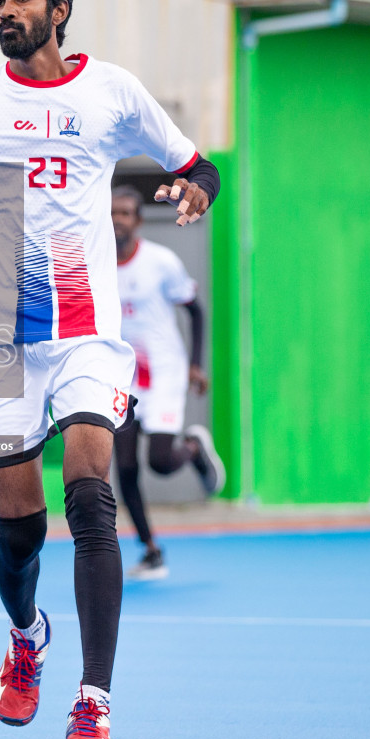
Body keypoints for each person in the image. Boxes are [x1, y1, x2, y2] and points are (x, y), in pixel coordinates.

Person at [0, 0, 221, 739]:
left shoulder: (112, 92)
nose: (5, 13)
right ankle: (26, 637)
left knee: (91, 498)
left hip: (87, 334)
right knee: (17, 535)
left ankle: (92, 702)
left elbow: (197, 168)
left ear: (56, 10)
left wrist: (192, 193)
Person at [110, 186, 226, 582]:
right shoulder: (94, 265)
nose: (117, 220)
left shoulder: (161, 262)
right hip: (124, 378)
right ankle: (151, 550)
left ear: (138, 220)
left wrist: (195, 365)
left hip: (164, 373)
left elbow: (195, 311)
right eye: (111, 213)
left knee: (159, 462)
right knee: (123, 469)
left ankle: (192, 447)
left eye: (125, 213)